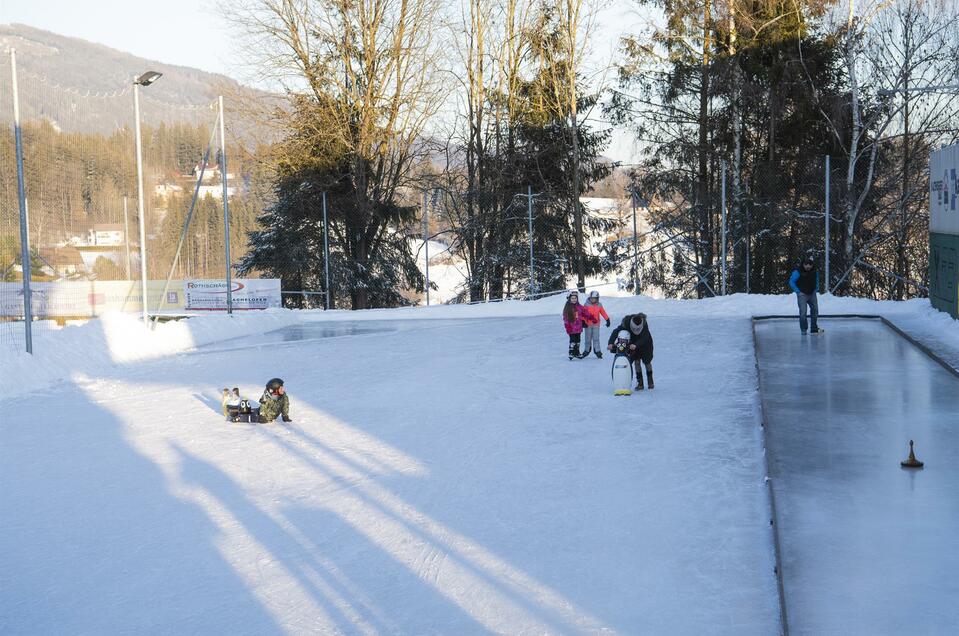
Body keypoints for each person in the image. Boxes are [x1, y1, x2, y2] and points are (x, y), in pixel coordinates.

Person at [608, 313, 654, 390]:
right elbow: (615, 332)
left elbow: (645, 337)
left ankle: (650, 381)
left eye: (638, 329)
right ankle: (640, 383)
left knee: (647, 362)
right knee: (636, 362)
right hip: (632, 344)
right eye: (634, 329)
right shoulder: (626, 323)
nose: (636, 330)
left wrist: (636, 344)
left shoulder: (644, 325)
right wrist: (610, 343)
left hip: (646, 345)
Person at [789, 256, 822, 335]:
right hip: (802, 295)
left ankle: (814, 328)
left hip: (812, 294)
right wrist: (798, 292)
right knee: (803, 313)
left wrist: (816, 289)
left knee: (815, 311)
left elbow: (816, 280)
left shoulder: (815, 272)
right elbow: (791, 282)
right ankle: (803, 329)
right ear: (803, 264)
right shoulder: (797, 272)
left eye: (810, 264)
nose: (808, 266)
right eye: (806, 264)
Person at [581, 290, 611, 358]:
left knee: (596, 338)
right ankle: (587, 350)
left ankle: (597, 351)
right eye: (591, 298)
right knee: (588, 338)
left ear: (597, 298)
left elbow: (603, 312)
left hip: (596, 324)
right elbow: (583, 314)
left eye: (594, 298)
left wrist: (607, 319)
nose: (593, 300)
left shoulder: (599, 305)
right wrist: (583, 321)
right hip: (588, 324)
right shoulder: (586, 304)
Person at [562, 291, 590, 360]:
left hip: (578, 328)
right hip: (571, 329)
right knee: (573, 341)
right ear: (569, 299)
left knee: (578, 340)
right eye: (572, 298)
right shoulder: (567, 308)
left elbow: (585, 312)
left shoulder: (579, 306)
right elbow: (565, 319)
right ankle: (571, 352)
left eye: (575, 298)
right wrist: (568, 327)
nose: (574, 300)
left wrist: (590, 316)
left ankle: (577, 353)